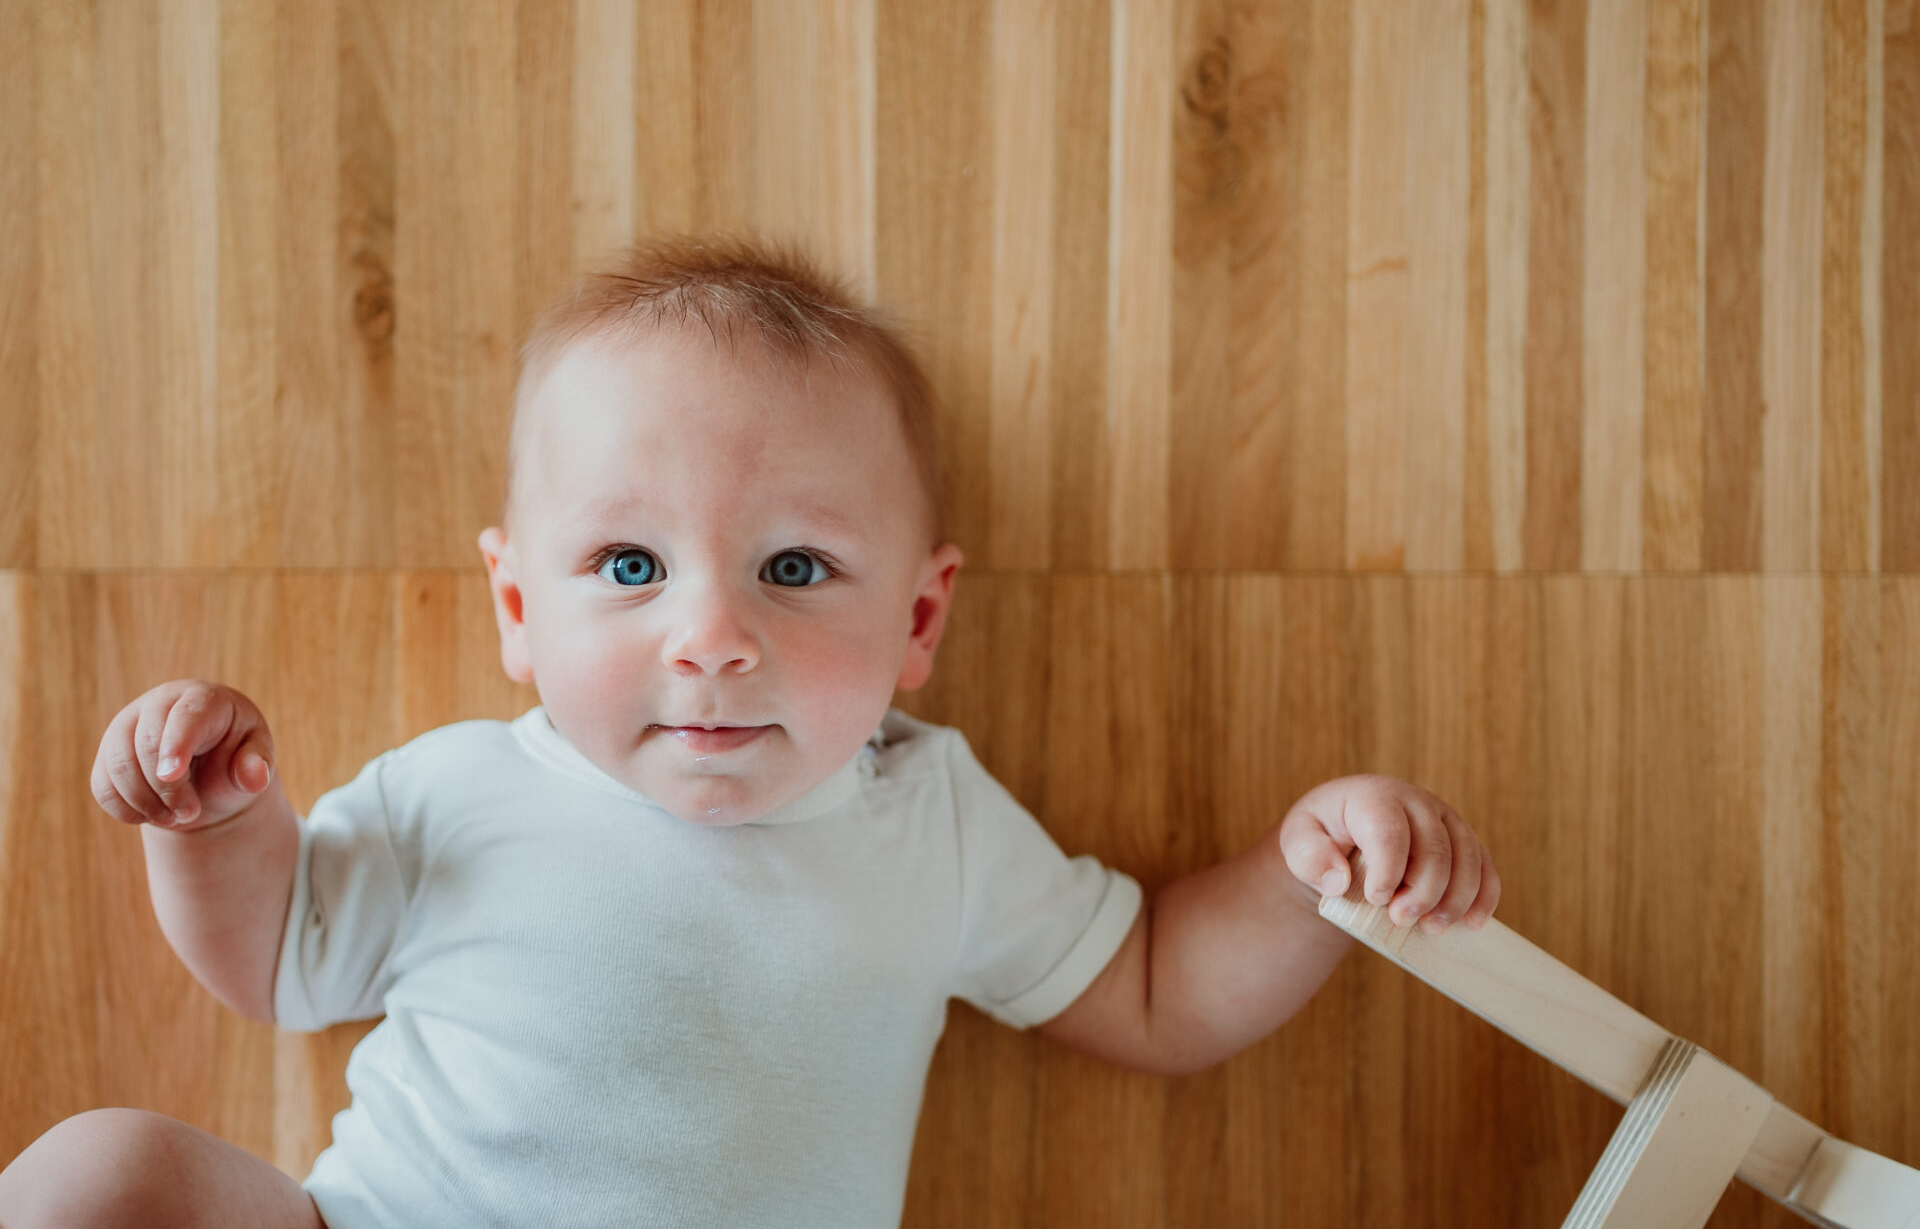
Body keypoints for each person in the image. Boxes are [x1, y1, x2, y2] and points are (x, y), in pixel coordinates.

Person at [0, 233, 1500, 1229]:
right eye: (630, 569)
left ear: (920, 622)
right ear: (518, 609)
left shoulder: (934, 824)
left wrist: (1313, 875)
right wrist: (213, 825)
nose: (711, 636)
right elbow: (273, 963)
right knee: (96, 1174)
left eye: (795, 570)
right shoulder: (458, 794)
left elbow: (1160, 993)